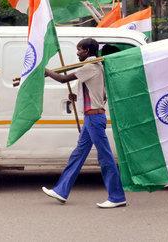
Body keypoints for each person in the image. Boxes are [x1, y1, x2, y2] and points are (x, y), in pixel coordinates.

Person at [41, 38, 127, 208]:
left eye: (79, 50)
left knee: (105, 157)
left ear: (87, 51)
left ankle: (117, 197)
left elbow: (62, 79)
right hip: (91, 118)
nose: (77, 53)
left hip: (94, 119)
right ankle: (61, 191)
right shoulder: (97, 68)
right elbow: (99, 95)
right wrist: (77, 98)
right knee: (78, 155)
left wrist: (46, 71)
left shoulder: (91, 67)